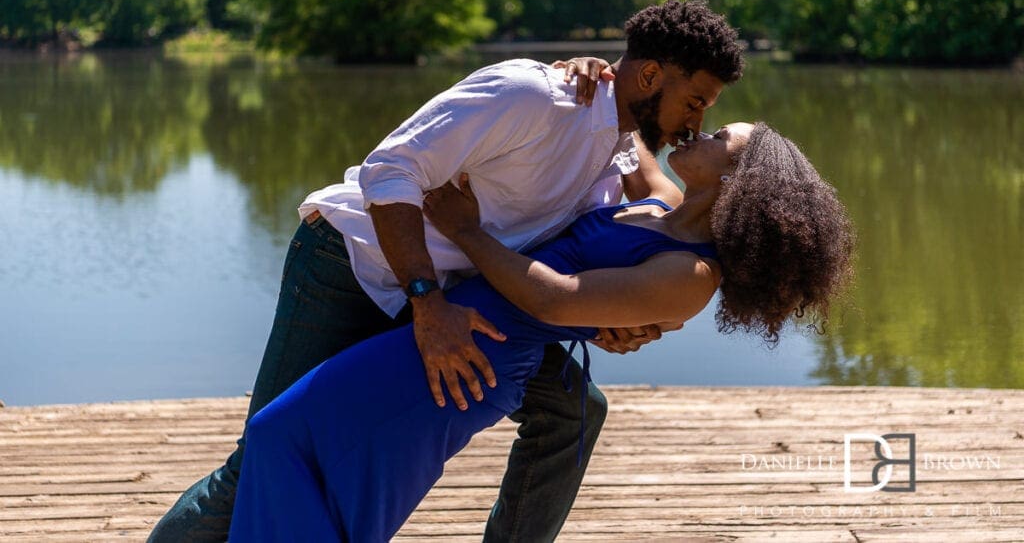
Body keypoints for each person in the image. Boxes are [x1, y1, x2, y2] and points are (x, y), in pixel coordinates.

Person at [149, 0, 746, 542]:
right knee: (259, 461)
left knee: (570, 410)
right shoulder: (532, 97)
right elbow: (390, 172)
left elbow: (658, 235)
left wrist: (620, 321)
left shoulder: (616, 144)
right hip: (353, 264)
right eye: (693, 101)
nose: (694, 122)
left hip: (464, 298)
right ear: (648, 77)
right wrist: (426, 305)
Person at [228, 121, 855, 541]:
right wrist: (585, 66)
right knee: (307, 457)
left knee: (292, 444)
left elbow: (554, 303)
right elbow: (628, 123)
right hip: (459, 333)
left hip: (476, 358)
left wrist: (468, 229)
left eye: (720, 135)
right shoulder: (663, 203)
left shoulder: (693, 272)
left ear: (736, 179)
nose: (702, 128)